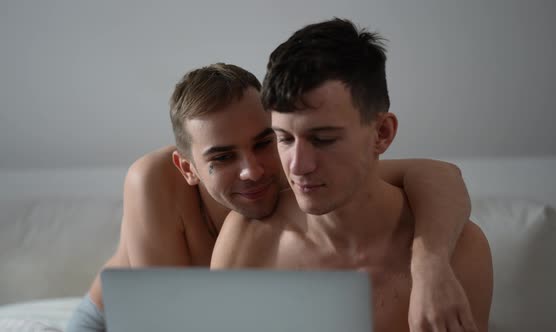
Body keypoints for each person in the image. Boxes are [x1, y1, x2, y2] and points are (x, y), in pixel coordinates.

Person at [67, 62, 474, 331]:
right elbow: (165, 323)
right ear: (188, 168)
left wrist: (430, 264)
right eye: (223, 156)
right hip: (114, 322)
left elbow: (440, 175)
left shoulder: (295, 170)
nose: (254, 169)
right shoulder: (152, 179)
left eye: (264, 142)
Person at [211, 19, 493, 332]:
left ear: (382, 134)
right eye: (285, 139)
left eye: (323, 139)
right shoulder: (248, 238)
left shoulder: (462, 252)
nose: (297, 166)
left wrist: (430, 265)